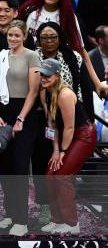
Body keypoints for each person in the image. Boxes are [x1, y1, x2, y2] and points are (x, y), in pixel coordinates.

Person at [20, 0, 108, 98]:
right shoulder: (30, 12)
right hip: (31, 71)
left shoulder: (68, 17)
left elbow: (81, 50)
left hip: (58, 74)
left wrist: (97, 83)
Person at [0, 20, 41, 237]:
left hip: (25, 113)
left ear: (24, 36)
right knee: (4, 168)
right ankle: (11, 214)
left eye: (16, 35)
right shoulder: (0, 56)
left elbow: (33, 91)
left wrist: (21, 117)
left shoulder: (32, 56)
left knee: (20, 166)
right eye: (10, 35)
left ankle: (22, 219)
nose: (12, 39)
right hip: (3, 112)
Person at [39, 59, 97, 235]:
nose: (43, 78)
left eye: (47, 75)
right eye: (41, 74)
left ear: (57, 76)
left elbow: (70, 127)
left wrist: (63, 152)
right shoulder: (45, 92)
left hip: (83, 135)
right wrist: (56, 150)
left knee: (63, 176)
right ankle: (57, 220)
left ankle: (72, 223)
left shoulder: (65, 94)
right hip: (65, 137)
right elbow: (51, 124)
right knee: (50, 176)